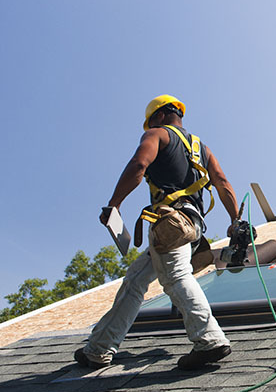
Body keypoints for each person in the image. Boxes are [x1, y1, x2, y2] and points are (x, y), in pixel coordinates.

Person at [75, 95, 239, 371]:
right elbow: (222, 182)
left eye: (149, 121)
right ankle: (98, 348)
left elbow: (139, 165)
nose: (147, 127)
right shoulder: (202, 148)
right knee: (136, 279)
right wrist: (235, 220)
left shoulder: (157, 134)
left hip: (171, 222)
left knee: (175, 277)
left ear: (161, 116)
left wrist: (114, 204)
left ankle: (209, 339)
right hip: (192, 226)